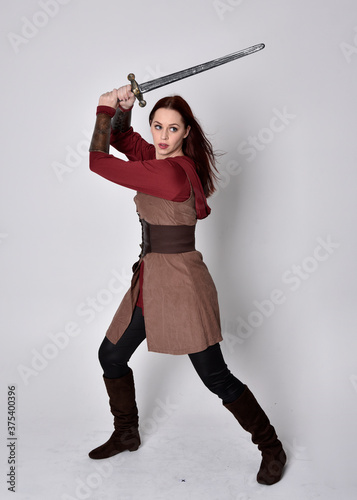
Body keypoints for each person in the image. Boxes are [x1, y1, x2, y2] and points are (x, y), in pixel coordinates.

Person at [88, 84, 286, 485]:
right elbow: (126, 141)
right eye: (157, 126)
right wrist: (124, 113)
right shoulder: (166, 161)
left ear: (186, 133)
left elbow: (97, 161)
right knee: (111, 355)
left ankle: (271, 447)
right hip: (151, 279)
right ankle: (127, 433)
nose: (161, 138)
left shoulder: (168, 173)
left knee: (216, 377)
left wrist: (104, 110)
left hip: (180, 285)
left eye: (171, 129)